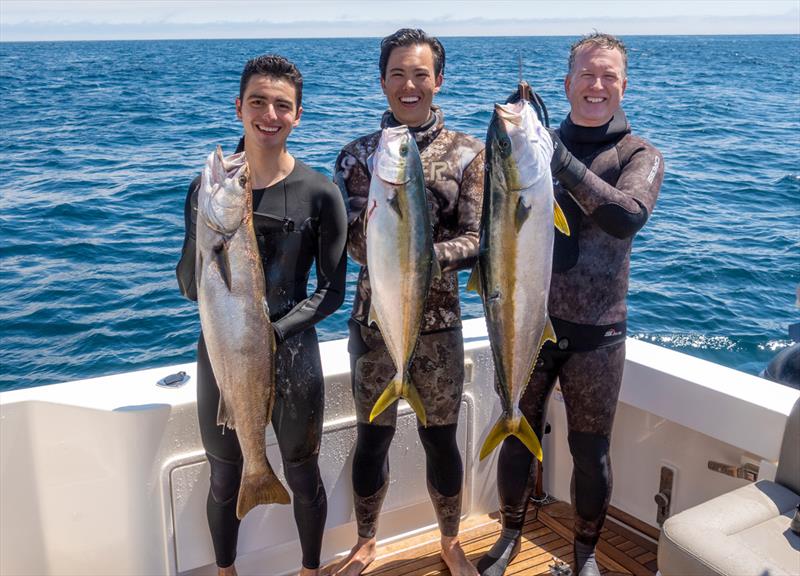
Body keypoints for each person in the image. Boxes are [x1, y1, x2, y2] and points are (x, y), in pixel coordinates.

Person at [477, 33, 664, 576]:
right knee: (516, 433)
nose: (597, 85)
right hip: (525, 321)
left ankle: (584, 555)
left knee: (591, 453)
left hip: (598, 334)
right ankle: (510, 534)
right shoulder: (528, 145)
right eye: (587, 74)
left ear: (624, 86)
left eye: (608, 76)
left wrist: (556, 158)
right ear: (566, 84)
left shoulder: (639, 154)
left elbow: (626, 215)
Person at [175, 55, 348, 576]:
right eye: (257, 102)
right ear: (239, 108)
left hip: (293, 353)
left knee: (301, 470)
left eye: (282, 105)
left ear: (298, 115)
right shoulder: (209, 190)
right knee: (225, 475)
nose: (268, 114)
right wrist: (203, 243)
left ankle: (311, 569)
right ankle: (226, 570)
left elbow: (332, 293)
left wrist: (272, 331)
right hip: (224, 353)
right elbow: (188, 286)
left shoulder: (320, 193)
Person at [331, 28, 484, 576]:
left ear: (438, 81)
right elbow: (349, 244)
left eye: (420, 74)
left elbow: (477, 237)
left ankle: (449, 539)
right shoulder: (356, 157)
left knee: (441, 442)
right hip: (374, 326)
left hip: (440, 330)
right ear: (382, 83)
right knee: (372, 440)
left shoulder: (470, 153)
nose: (409, 84)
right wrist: (373, 235)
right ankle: (367, 541)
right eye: (397, 74)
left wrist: (420, 255)